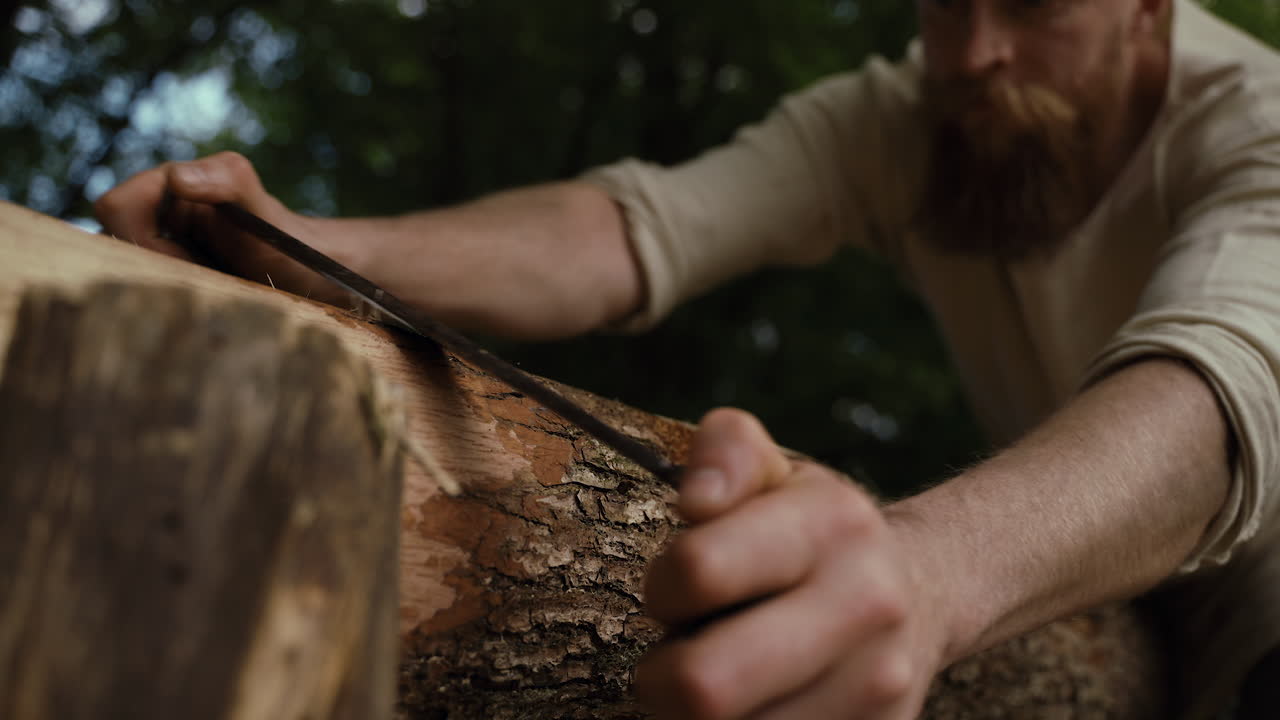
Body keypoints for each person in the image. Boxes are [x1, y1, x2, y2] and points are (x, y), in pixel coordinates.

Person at [95, 0, 1280, 717]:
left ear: (1147, 10)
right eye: (939, 3)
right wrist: (309, 246)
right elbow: (626, 230)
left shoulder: (1259, 123)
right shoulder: (908, 119)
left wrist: (925, 577)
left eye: (1027, 4)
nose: (970, 51)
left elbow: (1212, 399)